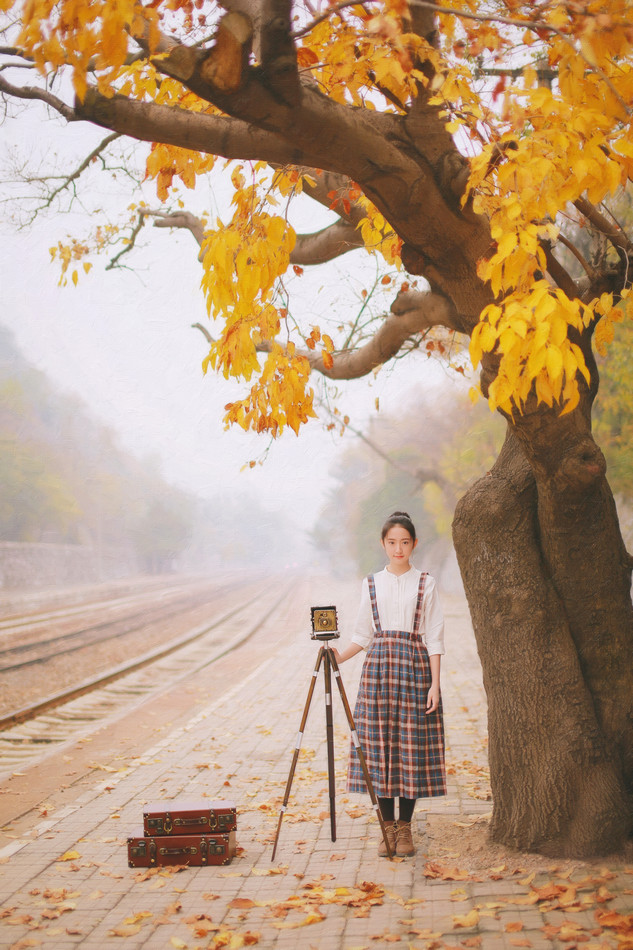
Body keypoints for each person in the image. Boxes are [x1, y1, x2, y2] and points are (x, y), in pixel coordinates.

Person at [332, 510, 446, 858]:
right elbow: (362, 636)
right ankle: (386, 828)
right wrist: (335, 657)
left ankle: (406, 830)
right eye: (392, 542)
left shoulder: (426, 583)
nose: (399, 549)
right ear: (383, 544)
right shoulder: (370, 584)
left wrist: (435, 685)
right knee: (379, 750)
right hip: (378, 673)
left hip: (415, 672)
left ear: (414, 544)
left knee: (410, 749)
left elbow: (435, 638)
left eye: (405, 542)